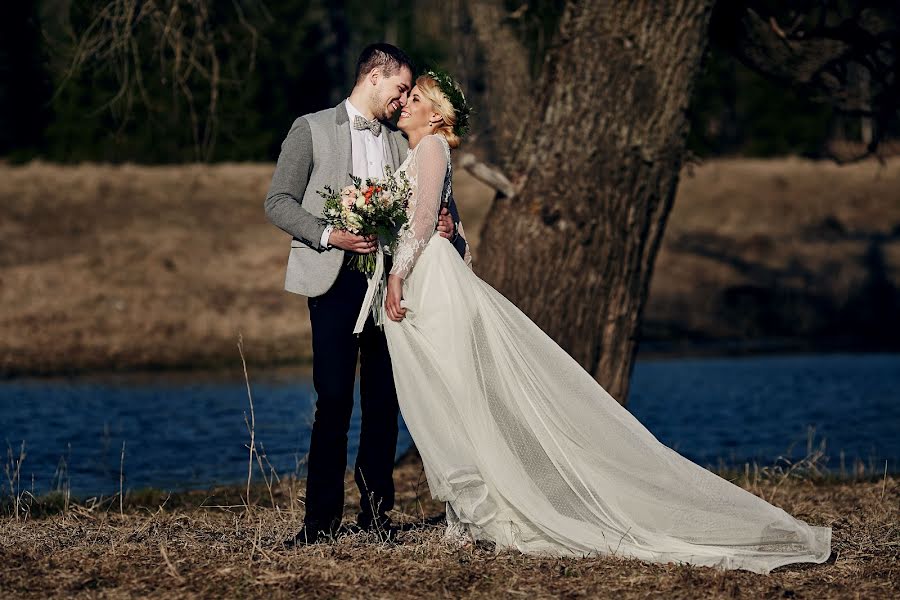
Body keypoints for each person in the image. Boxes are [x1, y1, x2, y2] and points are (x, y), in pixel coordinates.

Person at [380, 70, 832, 574]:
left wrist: (398, 275)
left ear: (437, 115)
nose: (405, 104)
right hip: (426, 274)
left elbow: (427, 224)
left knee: (457, 395)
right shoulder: (418, 153)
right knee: (448, 397)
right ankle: (465, 516)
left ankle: (475, 517)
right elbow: (447, 226)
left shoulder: (431, 149)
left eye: (415, 98)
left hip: (427, 279)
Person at [264, 43, 468, 545]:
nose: (404, 101)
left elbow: (429, 202)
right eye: (401, 89)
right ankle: (320, 523)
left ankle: (377, 518)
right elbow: (277, 202)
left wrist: (445, 224)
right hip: (333, 278)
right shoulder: (310, 129)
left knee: (383, 400)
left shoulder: (406, 140)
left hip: (393, 281)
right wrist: (331, 233)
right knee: (333, 399)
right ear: (374, 76)